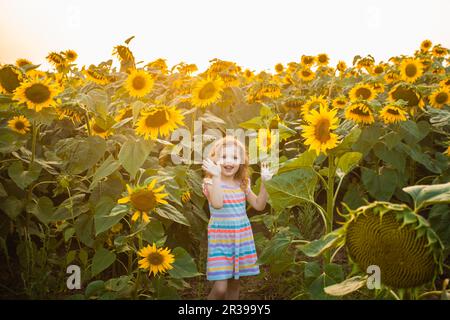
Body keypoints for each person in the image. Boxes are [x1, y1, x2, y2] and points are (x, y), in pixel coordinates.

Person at [201, 136, 274, 300]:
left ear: (242, 161)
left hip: (240, 237)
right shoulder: (210, 182)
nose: (229, 161)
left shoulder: (242, 183)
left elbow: (259, 205)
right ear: (214, 160)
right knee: (220, 288)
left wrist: (265, 183)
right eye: (224, 156)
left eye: (235, 157)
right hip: (220, 239)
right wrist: (216, 176)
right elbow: (218, 203)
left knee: (234, 285)